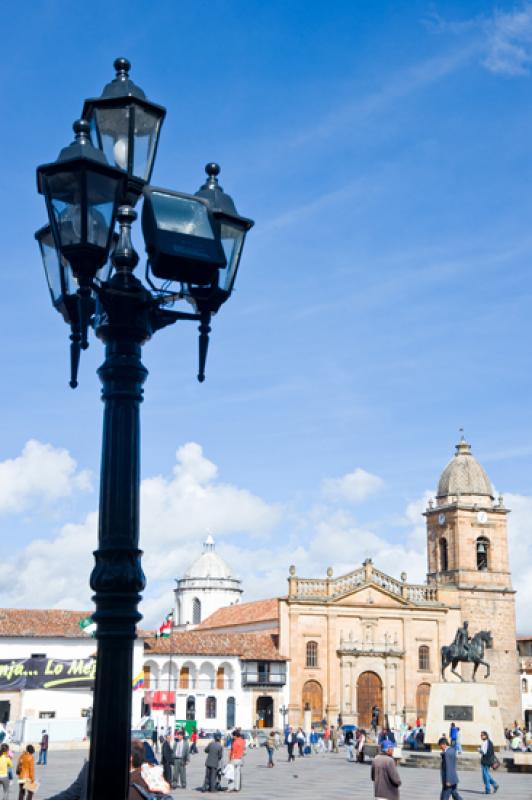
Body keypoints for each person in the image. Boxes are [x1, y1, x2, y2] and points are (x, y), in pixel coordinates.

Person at [479, 731, 499, 795]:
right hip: (489, 761)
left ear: (486, 736)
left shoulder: (485, 743)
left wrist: (479, 750)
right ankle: (495, 785)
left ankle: (488, 790)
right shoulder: (490, 742)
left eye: (482, 735)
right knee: (486, 774)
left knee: (485, 775)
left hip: (485, 761)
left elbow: (484, 752)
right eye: (481, 735)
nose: (481, 736)